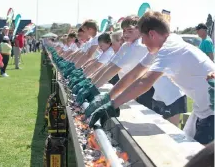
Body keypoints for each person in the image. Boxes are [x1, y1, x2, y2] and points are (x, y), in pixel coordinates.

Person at [87, 11, 215, 145]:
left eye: (142, 37)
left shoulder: (169, 49)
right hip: (203, 109)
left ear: (152, 34)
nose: (142, 42)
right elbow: (135, 73)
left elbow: (144, 81)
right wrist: (108, 97)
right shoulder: (165, 44)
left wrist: (112, 105)